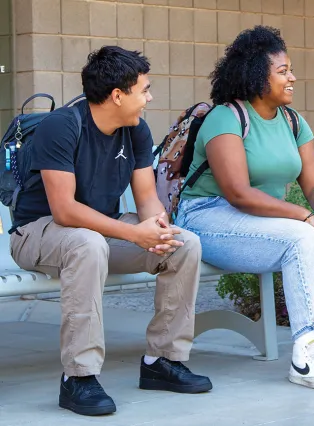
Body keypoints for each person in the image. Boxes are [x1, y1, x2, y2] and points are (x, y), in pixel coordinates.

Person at [174, 25, 314, 390]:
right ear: (255, 76)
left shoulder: (293, 121)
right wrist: (305, 217)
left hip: (260, 220)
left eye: (290, 69)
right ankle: (307, 354)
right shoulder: (226, 118)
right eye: (283, 71)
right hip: (206, 217)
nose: (292, 77)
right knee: (302, 237)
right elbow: (238, 193)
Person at [9, 46, 212, 416]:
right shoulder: (63, 125)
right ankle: (79, 378)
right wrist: (134, 234)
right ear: (117, 95)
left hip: (99, 234)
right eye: (144, 90)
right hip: (39, 233)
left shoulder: (134, 130)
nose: (149, 99)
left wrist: (157, 227)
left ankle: (162, 362)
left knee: (183, 244)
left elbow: (147, 197)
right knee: (87, 244)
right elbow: (64, 210)